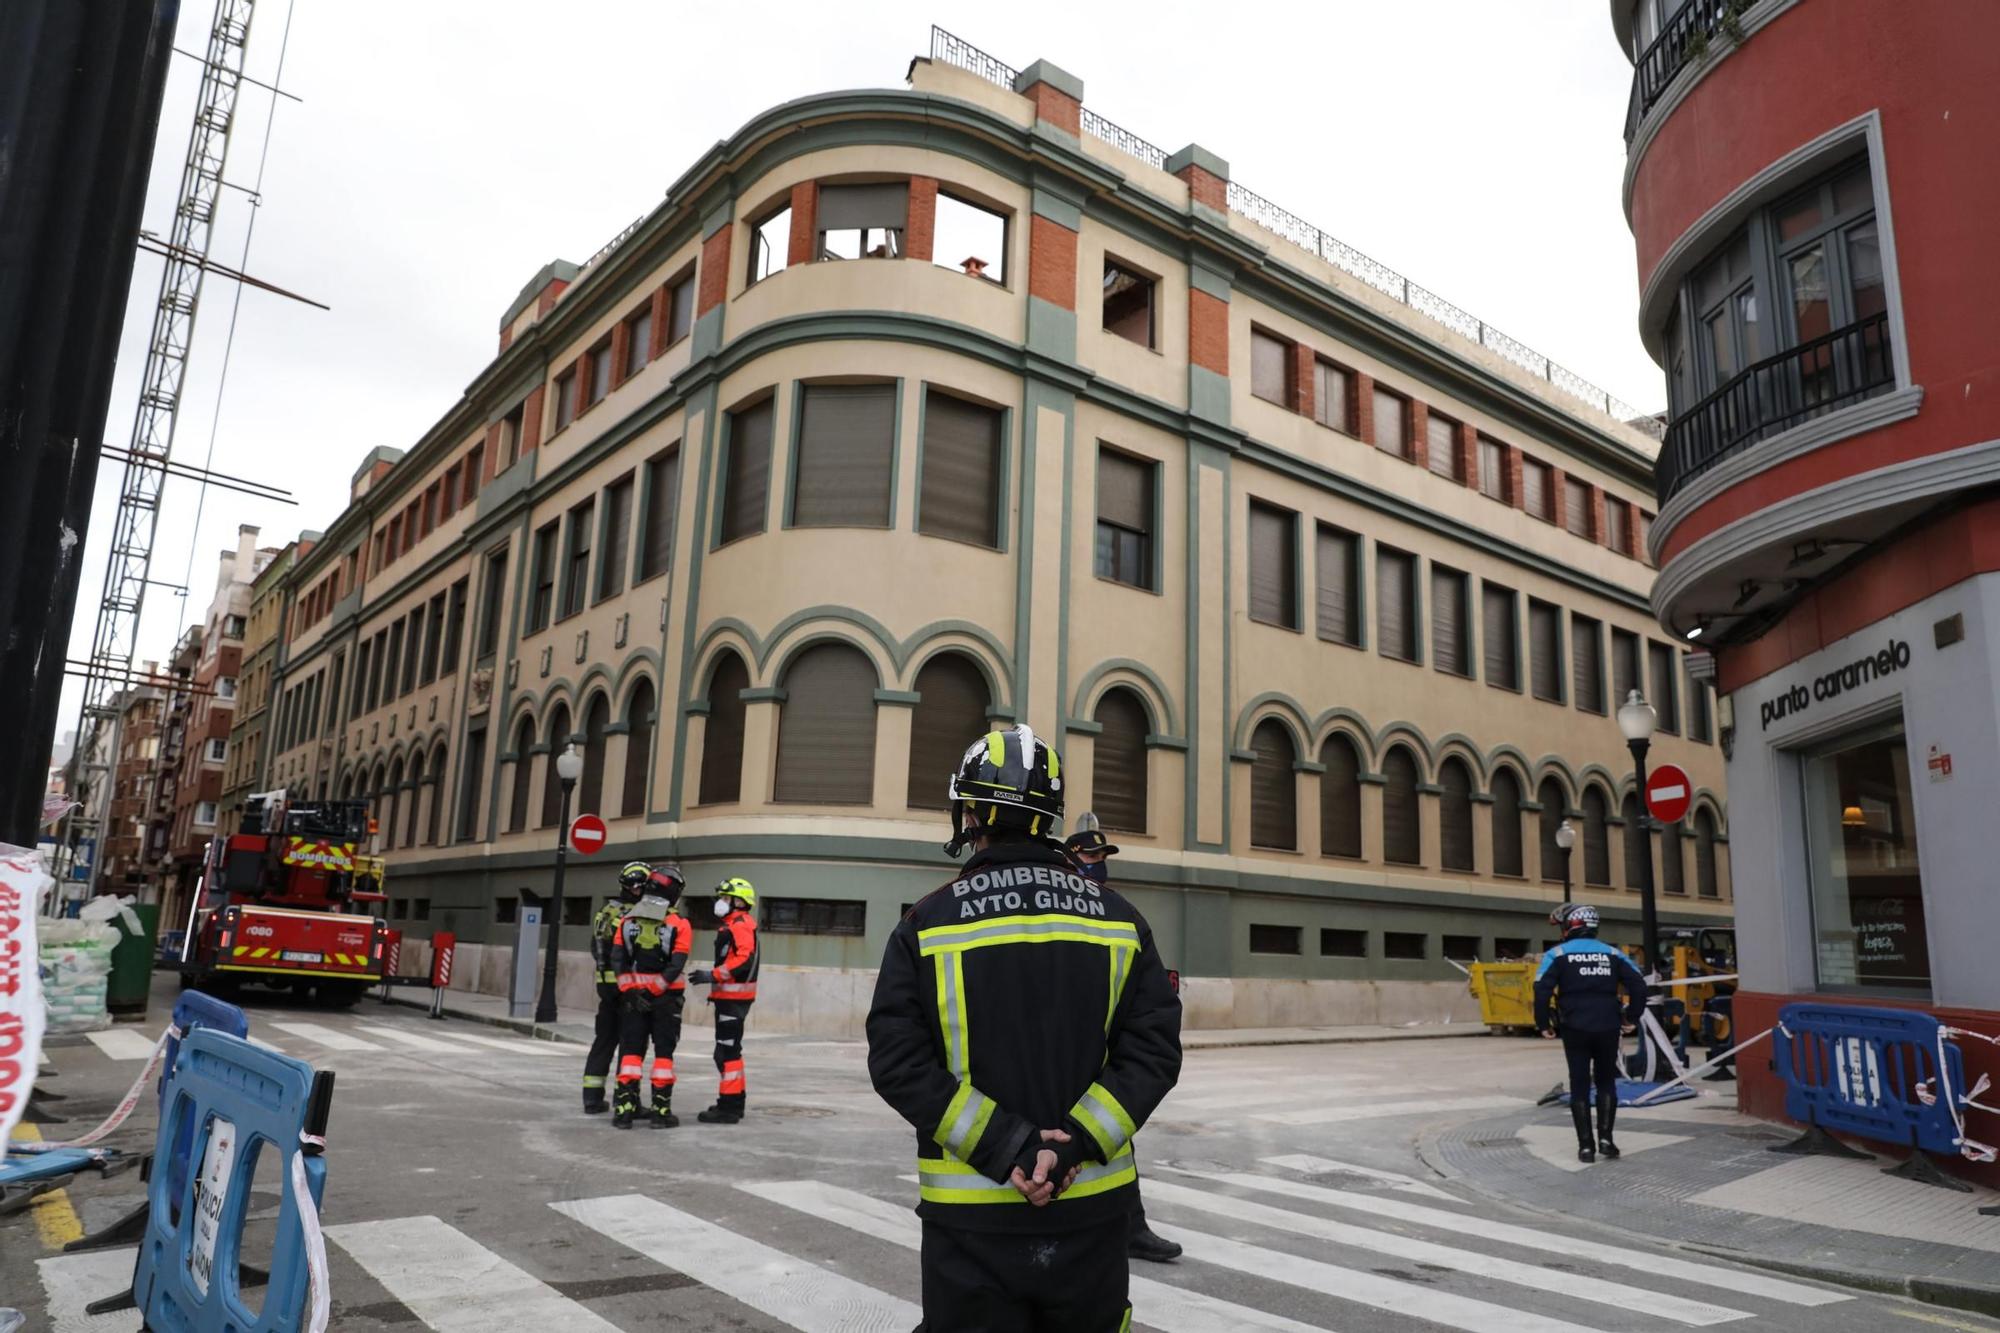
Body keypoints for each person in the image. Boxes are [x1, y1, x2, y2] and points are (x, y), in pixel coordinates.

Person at [869, 726, 1182, 1332]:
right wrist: (1073, 1145)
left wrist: (1009, 1148)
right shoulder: (1121, 920)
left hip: (972, 1224)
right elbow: (1153, 1054)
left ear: (971, 815)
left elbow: (898, 1062)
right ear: (1048, 817)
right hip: (1090, 1210)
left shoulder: (926, 923)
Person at [1063, 813, 1182, 1267]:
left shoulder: (1113, 908)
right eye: (1090, 855)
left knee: (1116, 1135)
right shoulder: (1064, 906)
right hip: (1075, 1048)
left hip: (1108, 1053)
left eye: (1102, 856)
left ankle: (1132, 1227)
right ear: (1071, 856)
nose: (1098, 863)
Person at [1533, 903, 1649, 1162]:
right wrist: (1631, 1017)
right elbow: (1639, 986)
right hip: (1608, 1024)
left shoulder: (1557, 954)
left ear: (1570, 926)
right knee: (1606, 1081)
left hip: (1575, 1026)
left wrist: (1543, 1023)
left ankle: (1586, 1147)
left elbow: (1541, 990)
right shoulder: (1613, 953)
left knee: (1579, 1084)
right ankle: (1607, 1140)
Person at [611, 863, 693, 1128]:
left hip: (634, 1001)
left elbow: (617, 961)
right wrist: (654, 990)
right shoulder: (679, 924)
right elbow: (676, 964)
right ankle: (660, 1113)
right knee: (664, 1055)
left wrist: (632, 992)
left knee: (631, 1053)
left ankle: (624, 1111)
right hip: (666, 1001)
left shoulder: (627, 921)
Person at [686, 876, 759, 1124]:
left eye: (726, 898)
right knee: (730, 1052)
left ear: (740, 902)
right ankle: (734, 1102)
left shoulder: (740, 925)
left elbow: (743, 959)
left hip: (733, 998)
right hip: (730, 998)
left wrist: (712, 974)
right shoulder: (736, 924)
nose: (721, 902)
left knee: (726, 1053)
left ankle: (728, 1108)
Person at [583, 862, 652, 1114]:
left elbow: (597, 948)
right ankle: (627, 1100)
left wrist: (606, 980)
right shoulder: (640, 916)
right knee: (632, 1045)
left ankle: (591, 1098)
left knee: (604, 1041)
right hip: (630, 989)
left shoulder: (606, 912)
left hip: (606, 988)